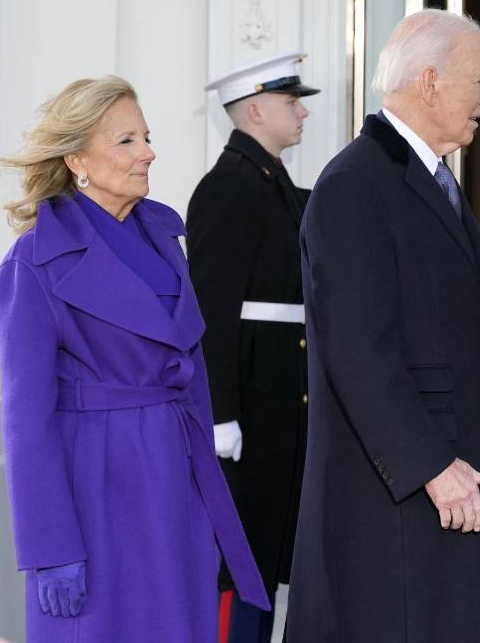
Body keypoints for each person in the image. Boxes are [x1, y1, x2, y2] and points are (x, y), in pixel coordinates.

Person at [0, 77, 267, 642]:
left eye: (146, 137)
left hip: (172, 479)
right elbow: (27, 422)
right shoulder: (34, 261)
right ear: (77, 160)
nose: (148, 152)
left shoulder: (164, 240)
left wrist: (207, 495)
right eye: (126, 141)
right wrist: (51, 547)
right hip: (93, 488)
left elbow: (190, 372)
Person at [285, 10, 480, 641]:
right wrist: (429, 466)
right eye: (478, 81)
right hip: (403, 500)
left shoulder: (428, 177)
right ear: (429, 82)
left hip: (451, 490)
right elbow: (358, 351)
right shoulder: (354, 186)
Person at [188, 53, 318, 641]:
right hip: (249, 404)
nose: (302, 113)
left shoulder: (274, 184)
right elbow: (210, 310)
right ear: (256, 109)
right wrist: (220, 414)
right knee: (240, 560)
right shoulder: (228, 187)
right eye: (292, 103)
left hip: (278, 402)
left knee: (264, 554)